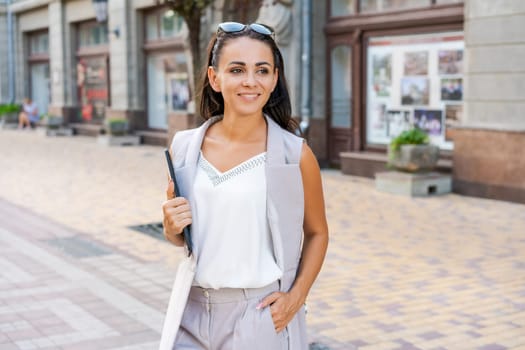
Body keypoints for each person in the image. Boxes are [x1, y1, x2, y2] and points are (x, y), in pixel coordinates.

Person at [162, 22, 329, 350]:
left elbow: (318, 233)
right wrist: (170, 227)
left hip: (257, 315)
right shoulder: (183, 148)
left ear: (274, 79)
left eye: (262, 70)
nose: (250, 81)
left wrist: (296, 299)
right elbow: (182, 235)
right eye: (237, 70)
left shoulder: (295, 155)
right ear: (214, 78)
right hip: (190, 310)